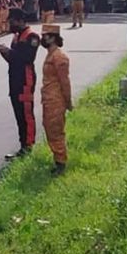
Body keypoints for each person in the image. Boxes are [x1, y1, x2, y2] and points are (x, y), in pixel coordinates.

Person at [0, 8, 41, 158]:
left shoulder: (31, 37)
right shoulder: (16, 36)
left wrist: (9, 51)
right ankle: (22, 145)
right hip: (15, 79)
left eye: (12, 21)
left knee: (26, 114)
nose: (10, 24)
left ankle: (28, 146)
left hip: (25, 80)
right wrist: (3, 52)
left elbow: (27, 58)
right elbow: (13, 60)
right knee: (18, 114)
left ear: (20, 20)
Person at [39, 24, 74, 172]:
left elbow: (65, 82)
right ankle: (57, 160)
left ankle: (60, 163)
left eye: (45, 36)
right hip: (48, 99)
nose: (43, 39)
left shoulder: (59, 57)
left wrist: (68, 102)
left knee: (55, 131)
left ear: (53, 38)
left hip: (56, 100)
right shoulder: (51, 55)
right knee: (49, 129)